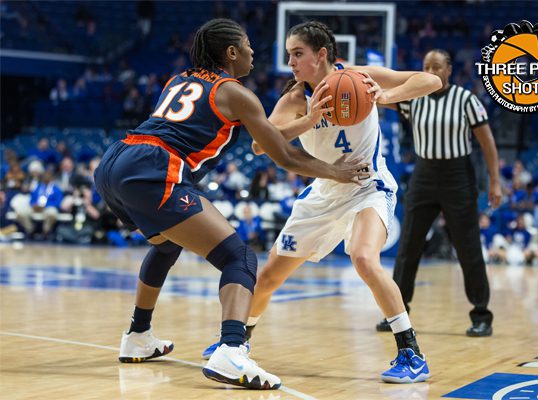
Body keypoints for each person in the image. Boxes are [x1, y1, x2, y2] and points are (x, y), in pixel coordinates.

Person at [94, 18, 368, 391]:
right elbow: (284, 157)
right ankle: (232, 349)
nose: (254, 52)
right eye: (248, 45)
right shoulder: (236, 93)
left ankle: (138, 335)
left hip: (115, 160)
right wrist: (335, 172)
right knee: (239, 257)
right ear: (232, 52)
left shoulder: (180, 79)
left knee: (166, 243)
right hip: (154, 167)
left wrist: (307, 120)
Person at [202, 20, 442, 384]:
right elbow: (259, 143)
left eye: (298, 54)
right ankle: (237, 344)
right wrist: (309, 119)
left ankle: (411, 353)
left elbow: (431, 81)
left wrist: (387, 96)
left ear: (322, 54)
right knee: (266, 278)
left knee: (363, 258)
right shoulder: (296, 99)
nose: (291, 62)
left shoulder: (359, 77)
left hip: (368, 185)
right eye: (288, 55)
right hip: (323, 192)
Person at [375, 49, 501, 337]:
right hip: (424, 175)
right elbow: (382, 96)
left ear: (449, 70)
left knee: (467, 246)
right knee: (409, 246)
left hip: (458, 176)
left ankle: (481, 315)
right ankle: (397, 313)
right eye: (426, 65)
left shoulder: (466, 99)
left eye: (437, 66)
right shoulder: (413, 98)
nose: (431, 70)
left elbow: (488, 141)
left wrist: (495, 180)